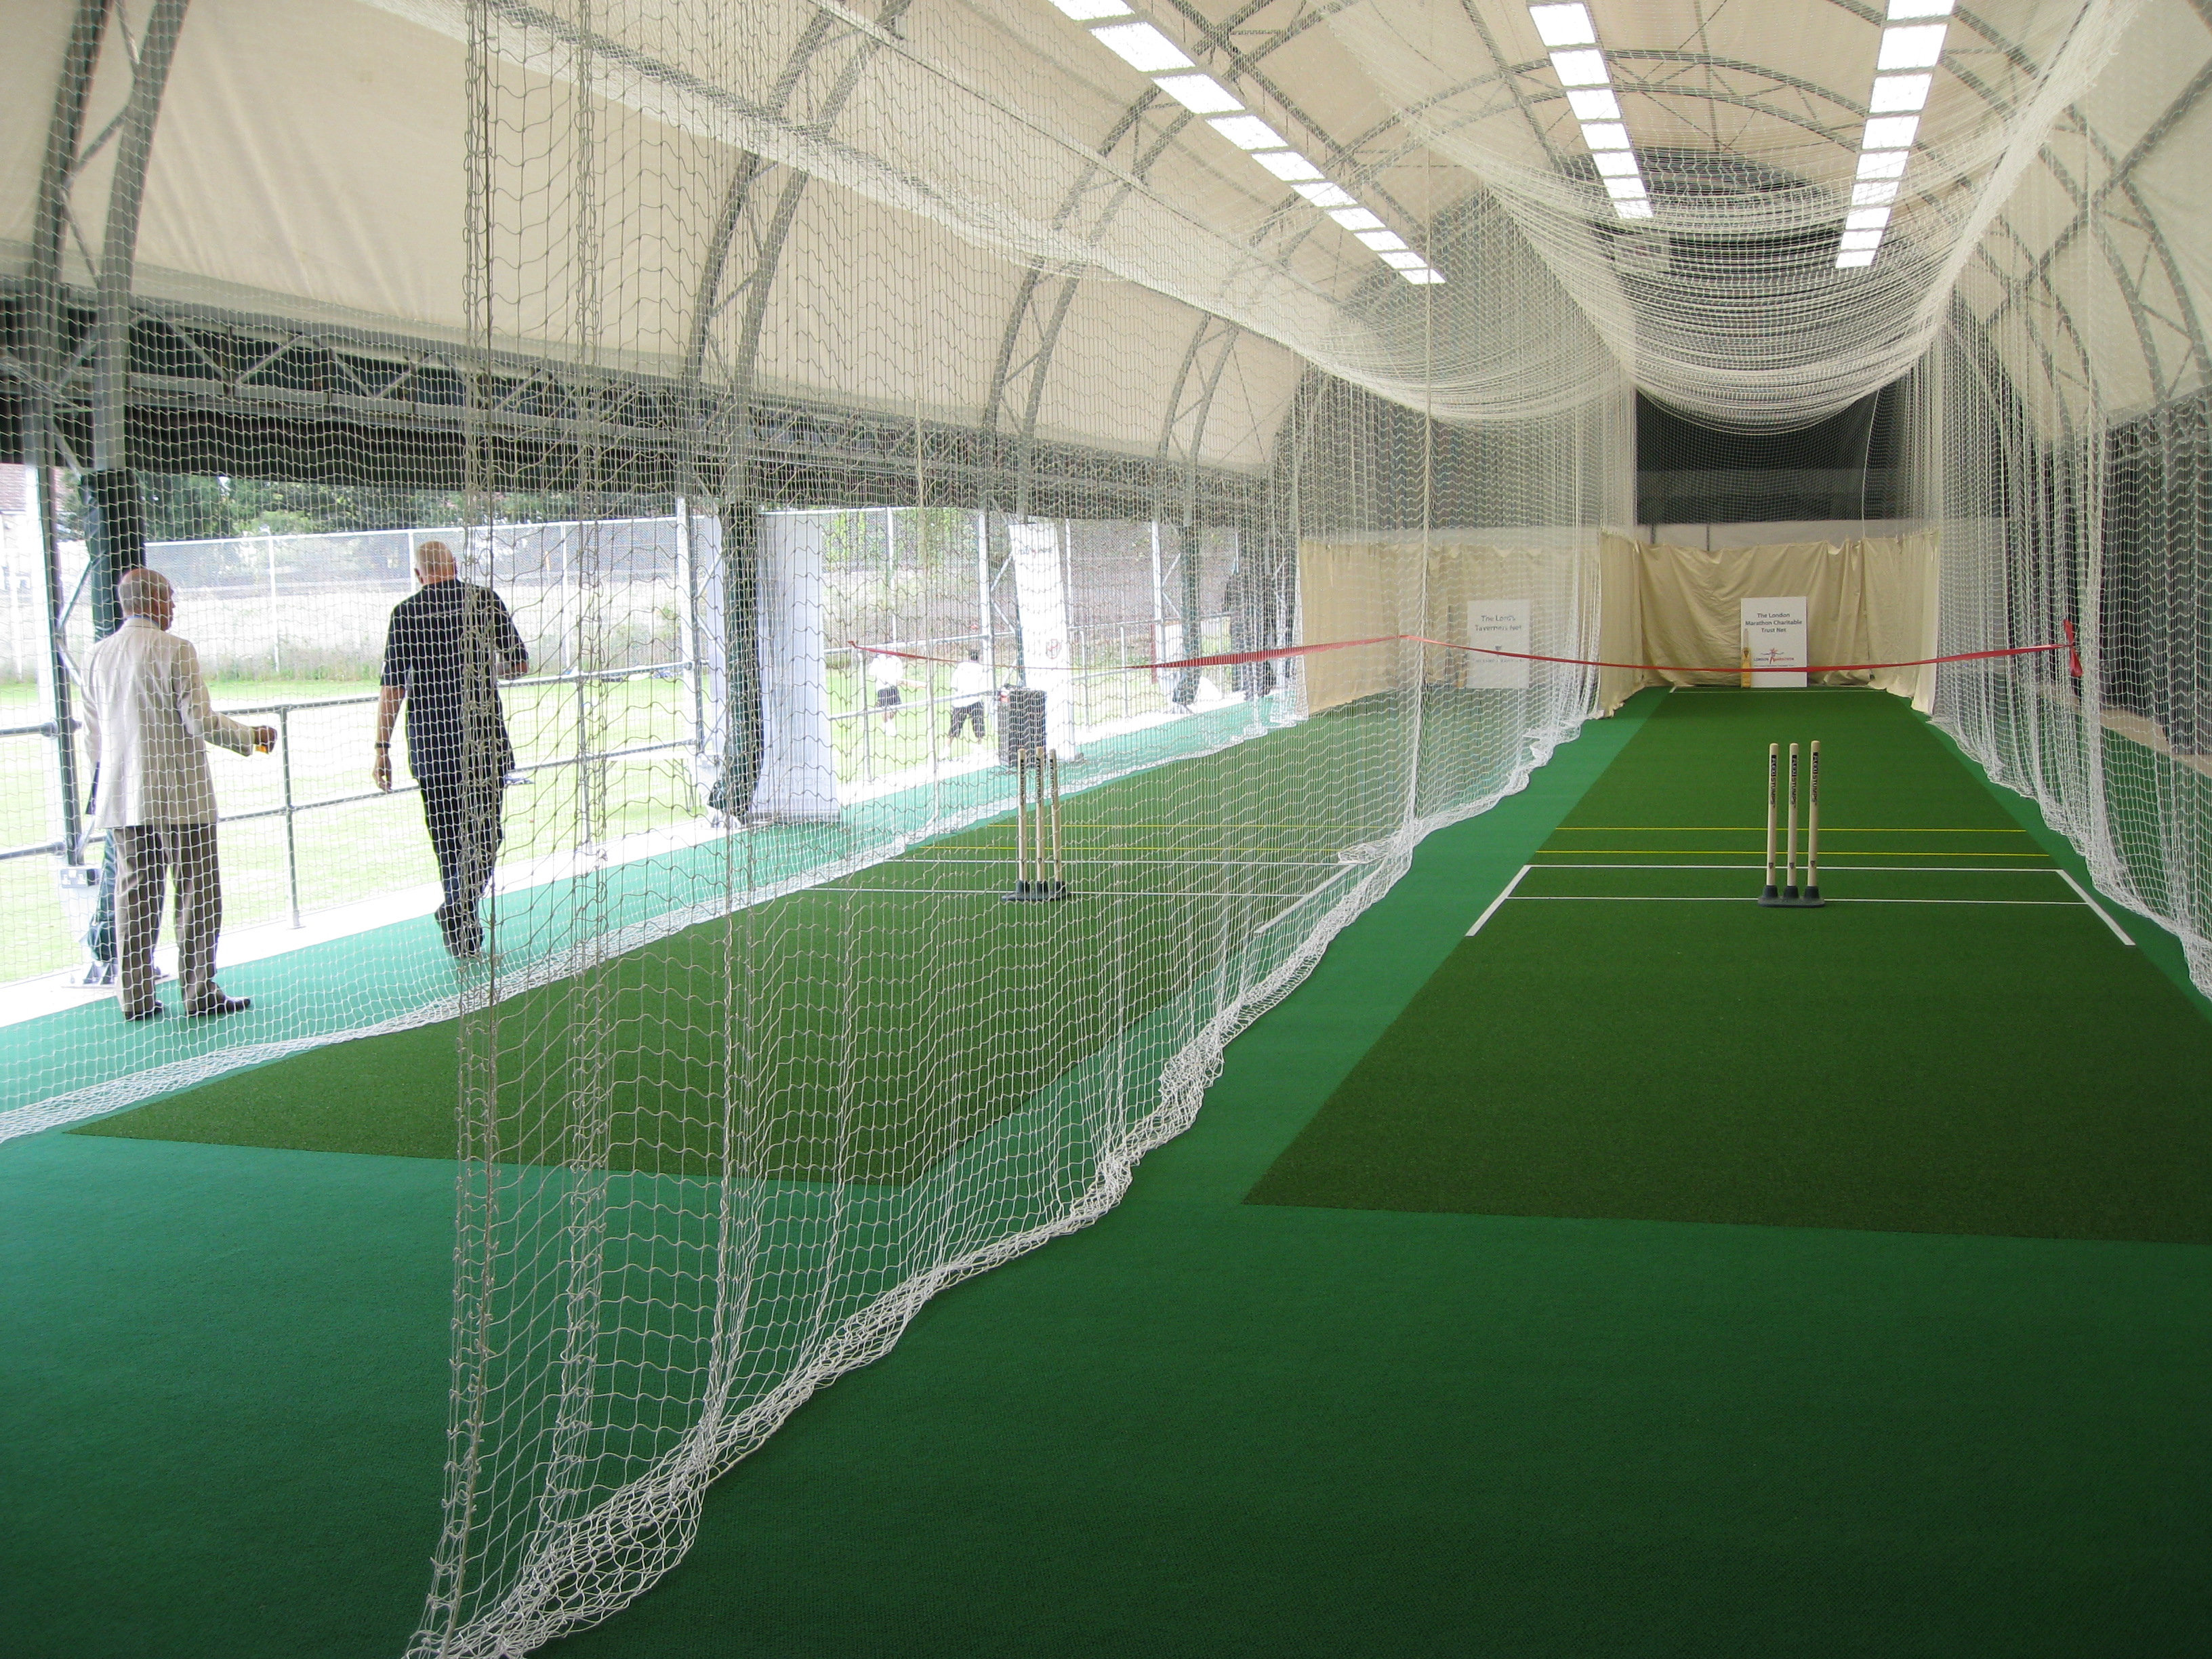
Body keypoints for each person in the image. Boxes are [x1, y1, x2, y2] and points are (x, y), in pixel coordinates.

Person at [80, 567, 274, 1021]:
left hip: (124, 800)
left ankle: (135, 998)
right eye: (170, 599)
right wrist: (253, 736)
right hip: (181, 798)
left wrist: (108, 784)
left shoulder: (95, 657)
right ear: (152, 602)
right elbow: (201, 722)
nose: (173, 607)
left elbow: (92, 740)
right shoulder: (176, 650)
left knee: (134, 896)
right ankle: (198, 991)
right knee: (198, 892)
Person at [373, 540, 529, 960]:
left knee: (447, 843)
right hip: (482, 742)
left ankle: (460, 923)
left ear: (419, 575)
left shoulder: (405, 614)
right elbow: (519, 663)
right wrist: (486, 667)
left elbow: (393, 688)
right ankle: (459, 911)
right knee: (485, 836)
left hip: (430, 745)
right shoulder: (483, 599)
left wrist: (380, 748)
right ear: (455, 566)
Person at [947, 649, 991, 741]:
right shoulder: (981, 668)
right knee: (978, 726)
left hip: (960, 701)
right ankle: (979, 746)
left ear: (969, 657)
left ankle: (947, 749)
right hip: (975, 700)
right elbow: (984, 688)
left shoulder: (961, 666)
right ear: (978, 657)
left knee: (955, 727)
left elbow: (953, 684)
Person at [869, 649, 905, 733]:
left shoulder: (895, 659)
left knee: (896, 706)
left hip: (892, 686)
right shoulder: (878, 658)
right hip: (881, 687)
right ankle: (886, 723)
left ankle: (888, 721)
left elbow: (900, 672)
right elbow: (871, 672)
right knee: (884, 706)